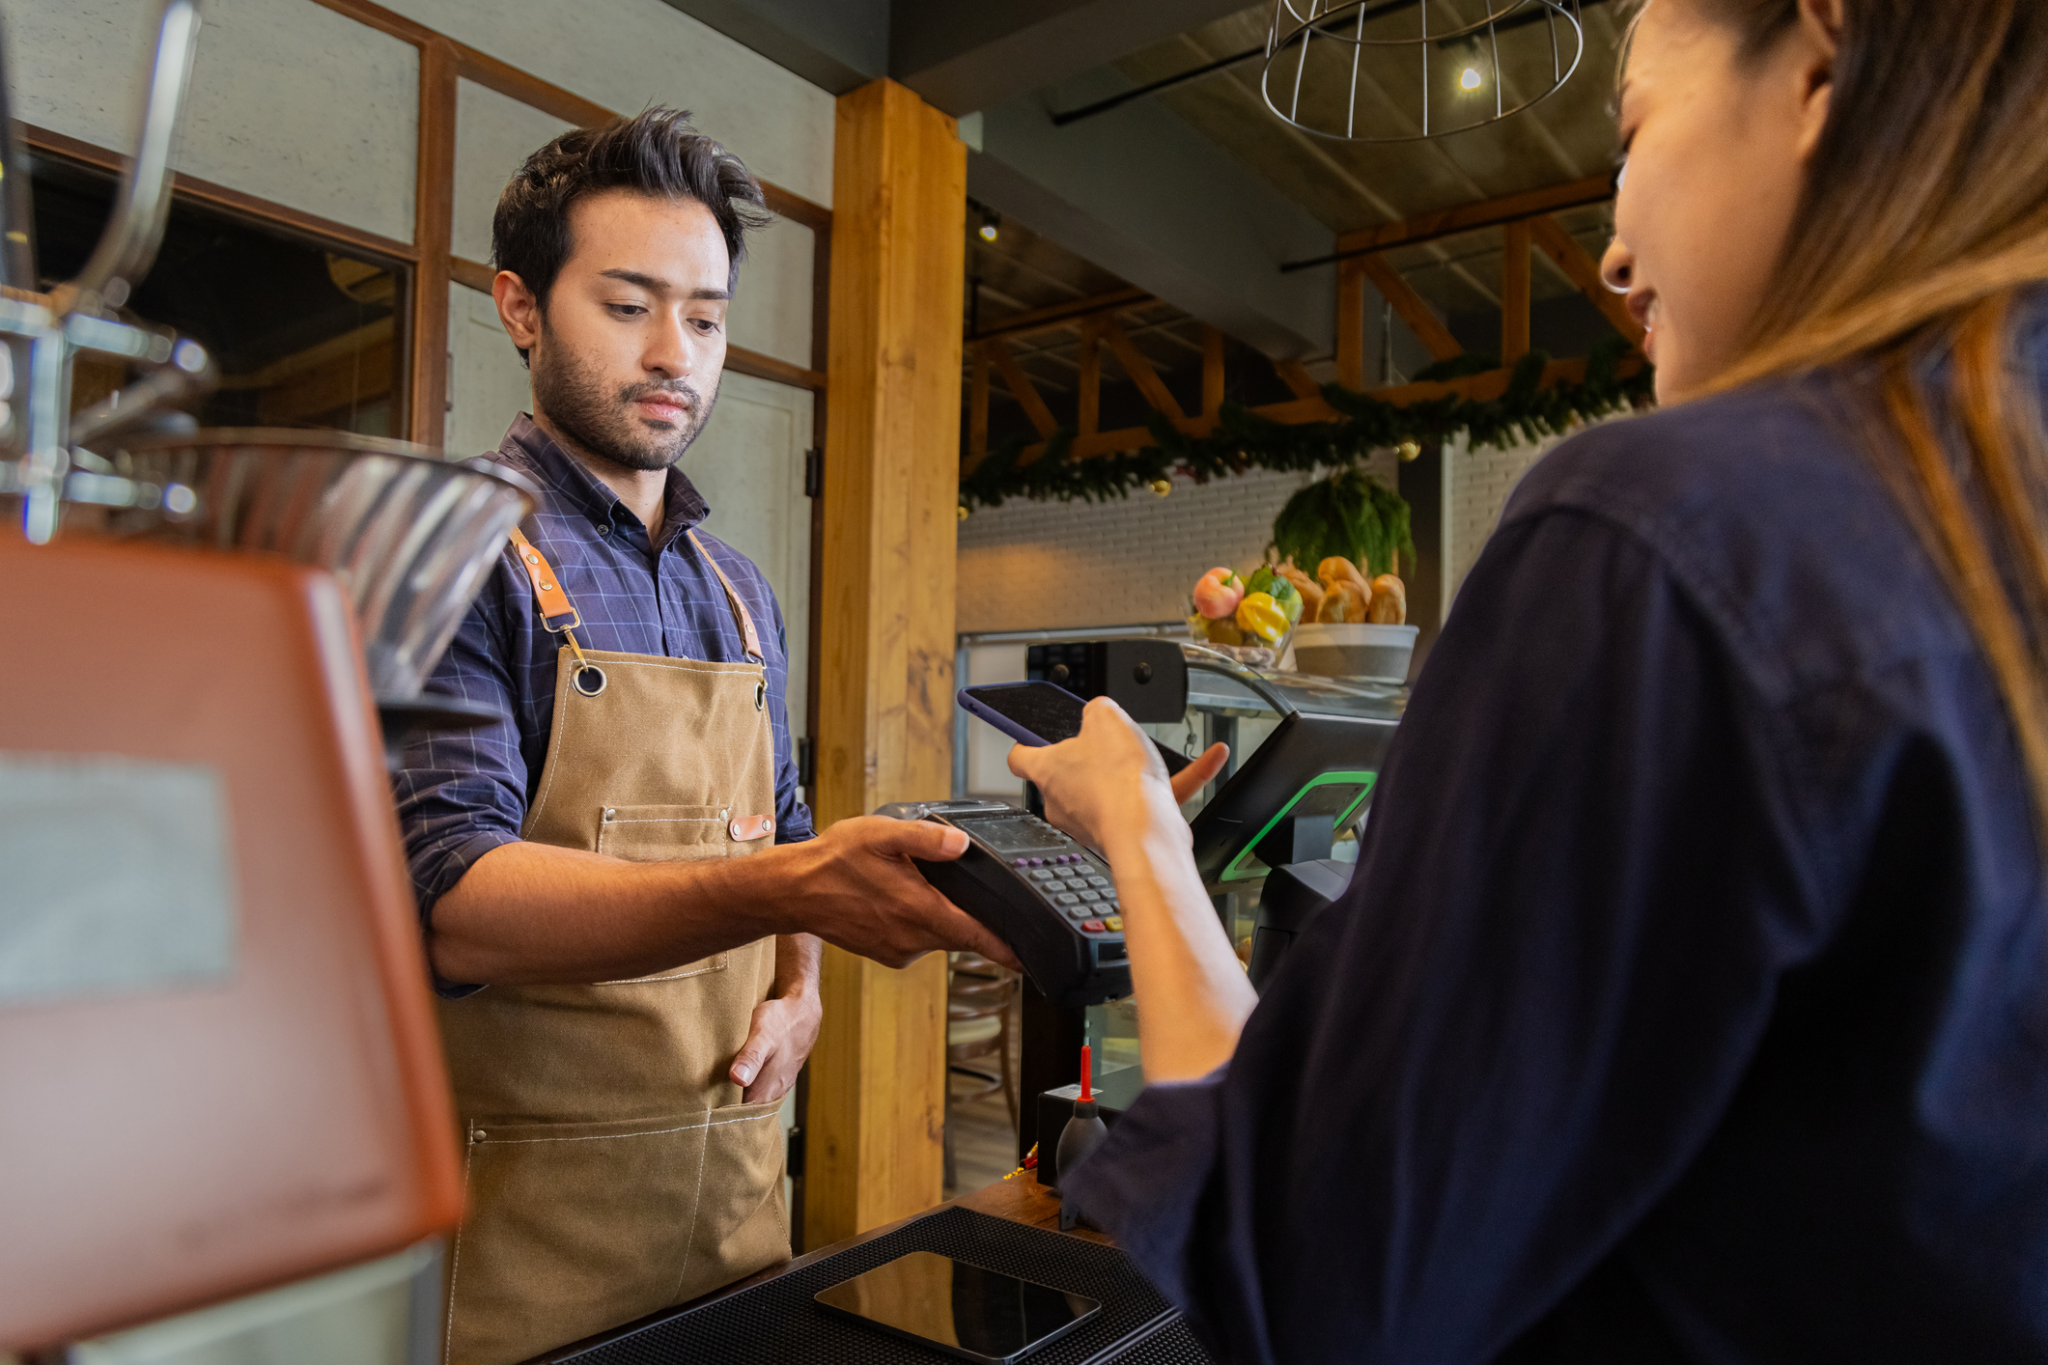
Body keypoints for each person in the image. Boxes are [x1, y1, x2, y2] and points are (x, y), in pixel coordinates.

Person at [1015, 2, 2048, 1361]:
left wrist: (1142, 835)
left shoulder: (1667, 530)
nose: (1612, 256)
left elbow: (1321, 1290)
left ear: (1816, 58)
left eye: (1630, 131)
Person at [392, 109, 1010, 1365]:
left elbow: (779, 822)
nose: (676, 352)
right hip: (520, 1234)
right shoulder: (452, 554)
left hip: (736, 1213)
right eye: (628, 306)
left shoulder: (737, 587)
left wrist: (802, 987)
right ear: (520, 306)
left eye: (709, 316)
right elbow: (454, 898)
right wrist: (795, 885)